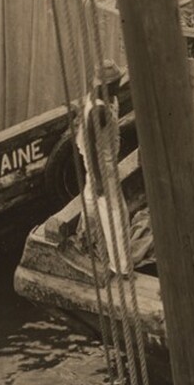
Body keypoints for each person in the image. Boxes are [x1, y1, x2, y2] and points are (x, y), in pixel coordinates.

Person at [76, 60, 131, 275]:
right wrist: (99, 179)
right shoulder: (98, 112)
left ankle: (83, 234)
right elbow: (90, 147)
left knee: (90, 198)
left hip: (103, 156)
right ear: (105, 86)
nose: (120, 85)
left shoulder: (104, 98)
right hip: (102, 164)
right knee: (117, 214)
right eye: (116, 83)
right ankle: (121, 268)